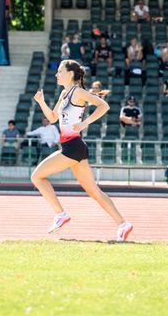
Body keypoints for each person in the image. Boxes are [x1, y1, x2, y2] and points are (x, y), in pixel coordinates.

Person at [31, 60, 132, 241]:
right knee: (94, 192)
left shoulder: (78, 92)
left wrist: (85, 123)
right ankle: (123, 224)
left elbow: (104, 106)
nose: (56, 74)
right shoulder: (64, 93)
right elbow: (53, 118)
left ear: (70, 74)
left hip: (72, 147)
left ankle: (60, 214)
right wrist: (41, 102)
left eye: (60, 71)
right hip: (75, 147)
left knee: (36, 176)